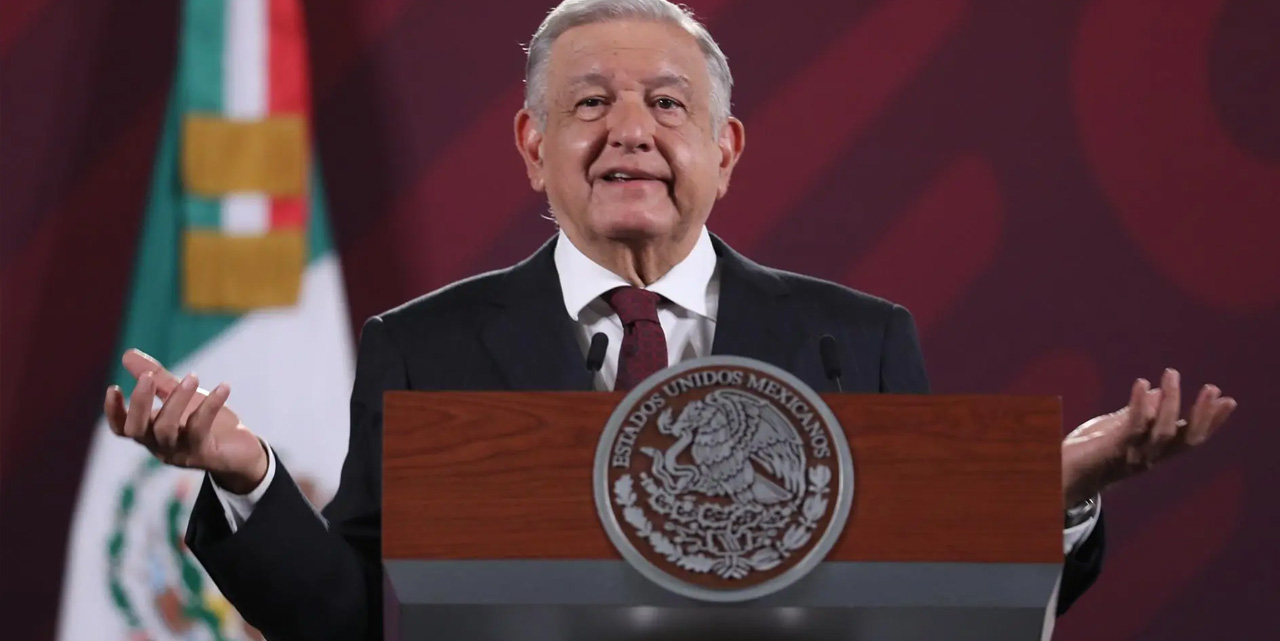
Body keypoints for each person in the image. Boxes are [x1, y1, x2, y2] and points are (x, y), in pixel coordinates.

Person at [104, 1, 1238, 639]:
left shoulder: (858, 340)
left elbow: (936, 600)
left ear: (724, 150)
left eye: (666, 103)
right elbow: (352, 621)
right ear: (534, 147)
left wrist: (1055, 494)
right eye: (589, 102)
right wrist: (249, 478)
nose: (630, 130)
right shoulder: (423, 347)